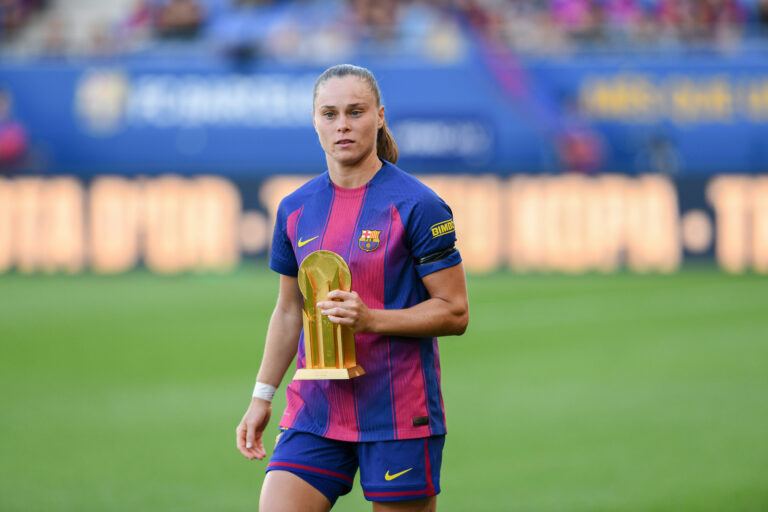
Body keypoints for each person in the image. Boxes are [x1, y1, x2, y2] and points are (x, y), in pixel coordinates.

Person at [236, 63, 469, 512]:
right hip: (315, 411)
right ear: (314, 121)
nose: (342, 124)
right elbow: (289, 311)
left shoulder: (419, 205)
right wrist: (262, 396)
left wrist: (371, 319)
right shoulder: (294, 208)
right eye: (329, 113)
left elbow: (455, 312)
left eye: (355, 111)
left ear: (379, 116)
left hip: (399, 413)